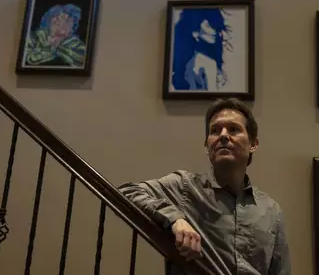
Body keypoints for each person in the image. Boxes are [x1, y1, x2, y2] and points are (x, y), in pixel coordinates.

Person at [119, 98, 291, 275]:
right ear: (207, 146)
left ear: (253, 144)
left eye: (234, 129)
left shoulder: (271, 211)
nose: (223, 135)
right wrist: (175, 220)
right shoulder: (184, 187)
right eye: (214, 131)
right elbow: (126, 192)